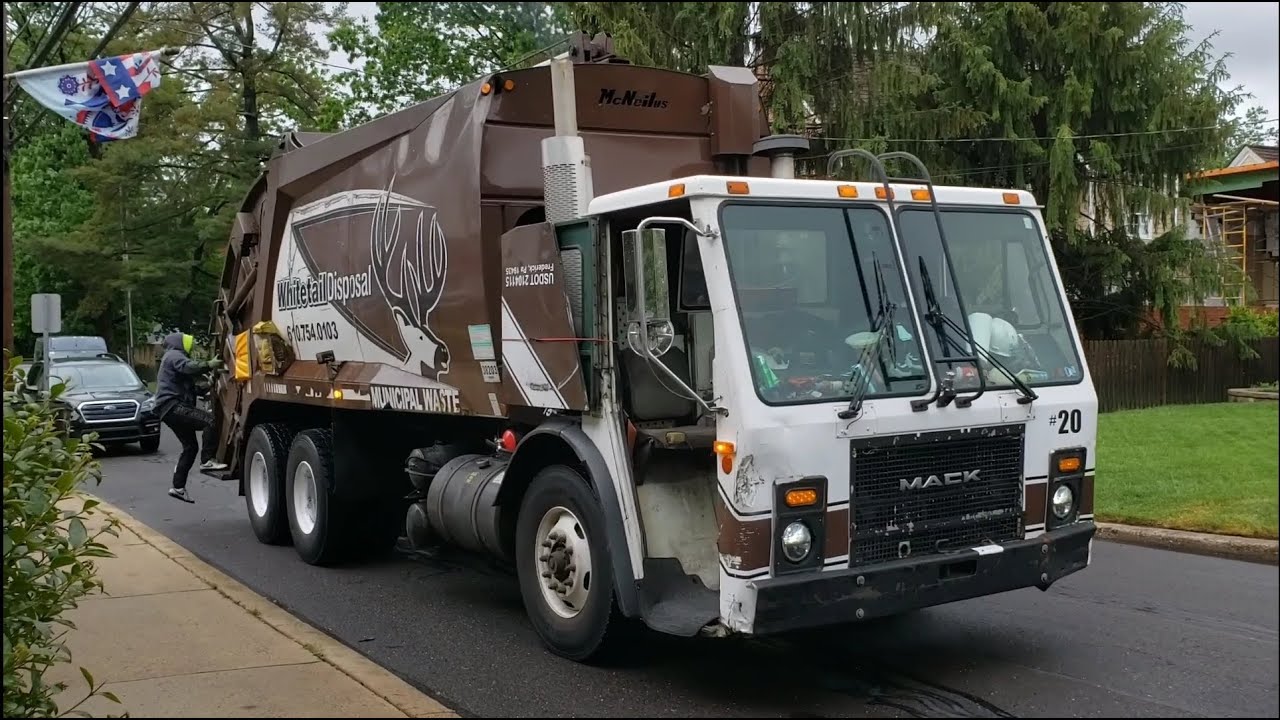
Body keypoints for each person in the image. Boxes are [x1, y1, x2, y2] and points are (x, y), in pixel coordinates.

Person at [153, 332, 225, 503]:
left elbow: (191, 389)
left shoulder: (171, 358)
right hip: (172, 406)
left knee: (190, 447)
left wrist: (209, 385)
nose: (191, 347)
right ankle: (207, 461)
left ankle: (178, 488)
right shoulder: (174, 355)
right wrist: (209, 364)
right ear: (181, 343)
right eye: (189, 344)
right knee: (210, 421)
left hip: (168, 410)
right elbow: (189, 367)